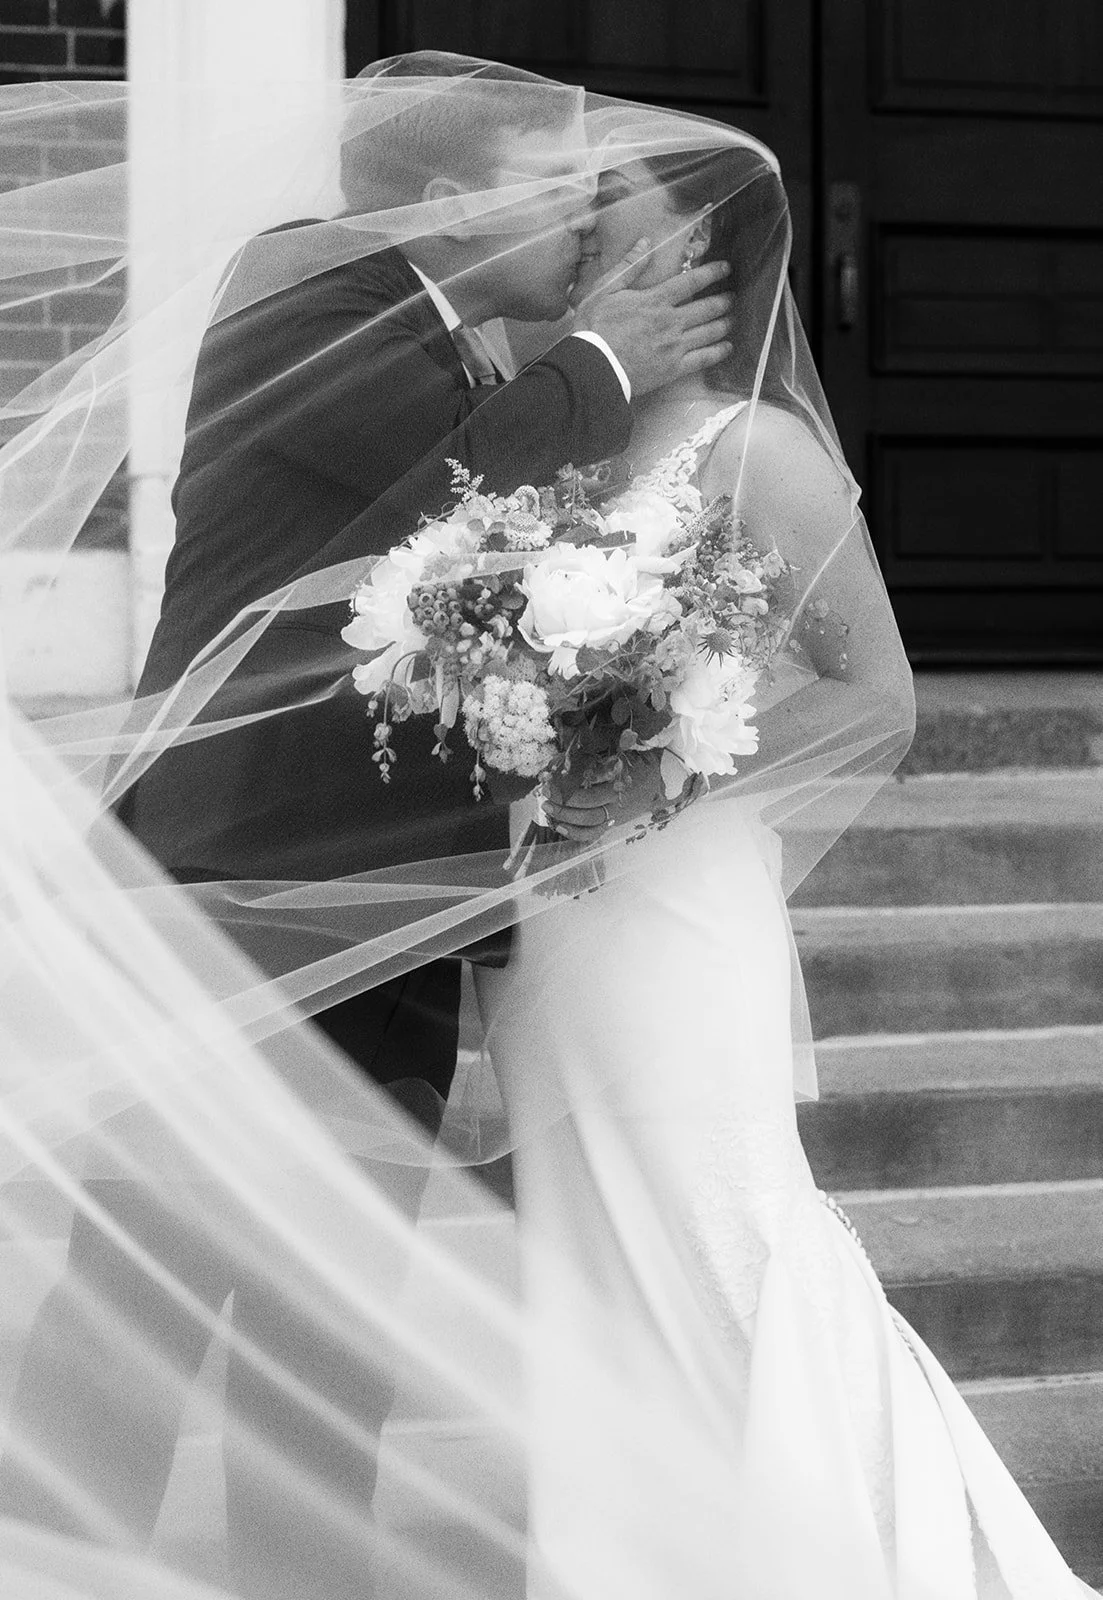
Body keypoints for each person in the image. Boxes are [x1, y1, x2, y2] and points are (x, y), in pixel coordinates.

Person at [0, 56, 734, 1600]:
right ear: (442, 199)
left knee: (324, 1327)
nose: (590, 211)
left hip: (367, 906)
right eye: (560, 183)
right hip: (236, 899)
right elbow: (446, 489)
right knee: (139, 1309)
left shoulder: (451, 340)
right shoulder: (304, 295)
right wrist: (603, 351)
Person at [476, 151, 1099, 1599]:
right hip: (560, 936)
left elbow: (875, 696)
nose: (572, 233)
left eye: (607, 215)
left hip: (681, 925)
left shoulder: (758, 454)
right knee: (592, 1278)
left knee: (725, 1244)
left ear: (697, 262)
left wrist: (650, 766)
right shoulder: (556, 460)